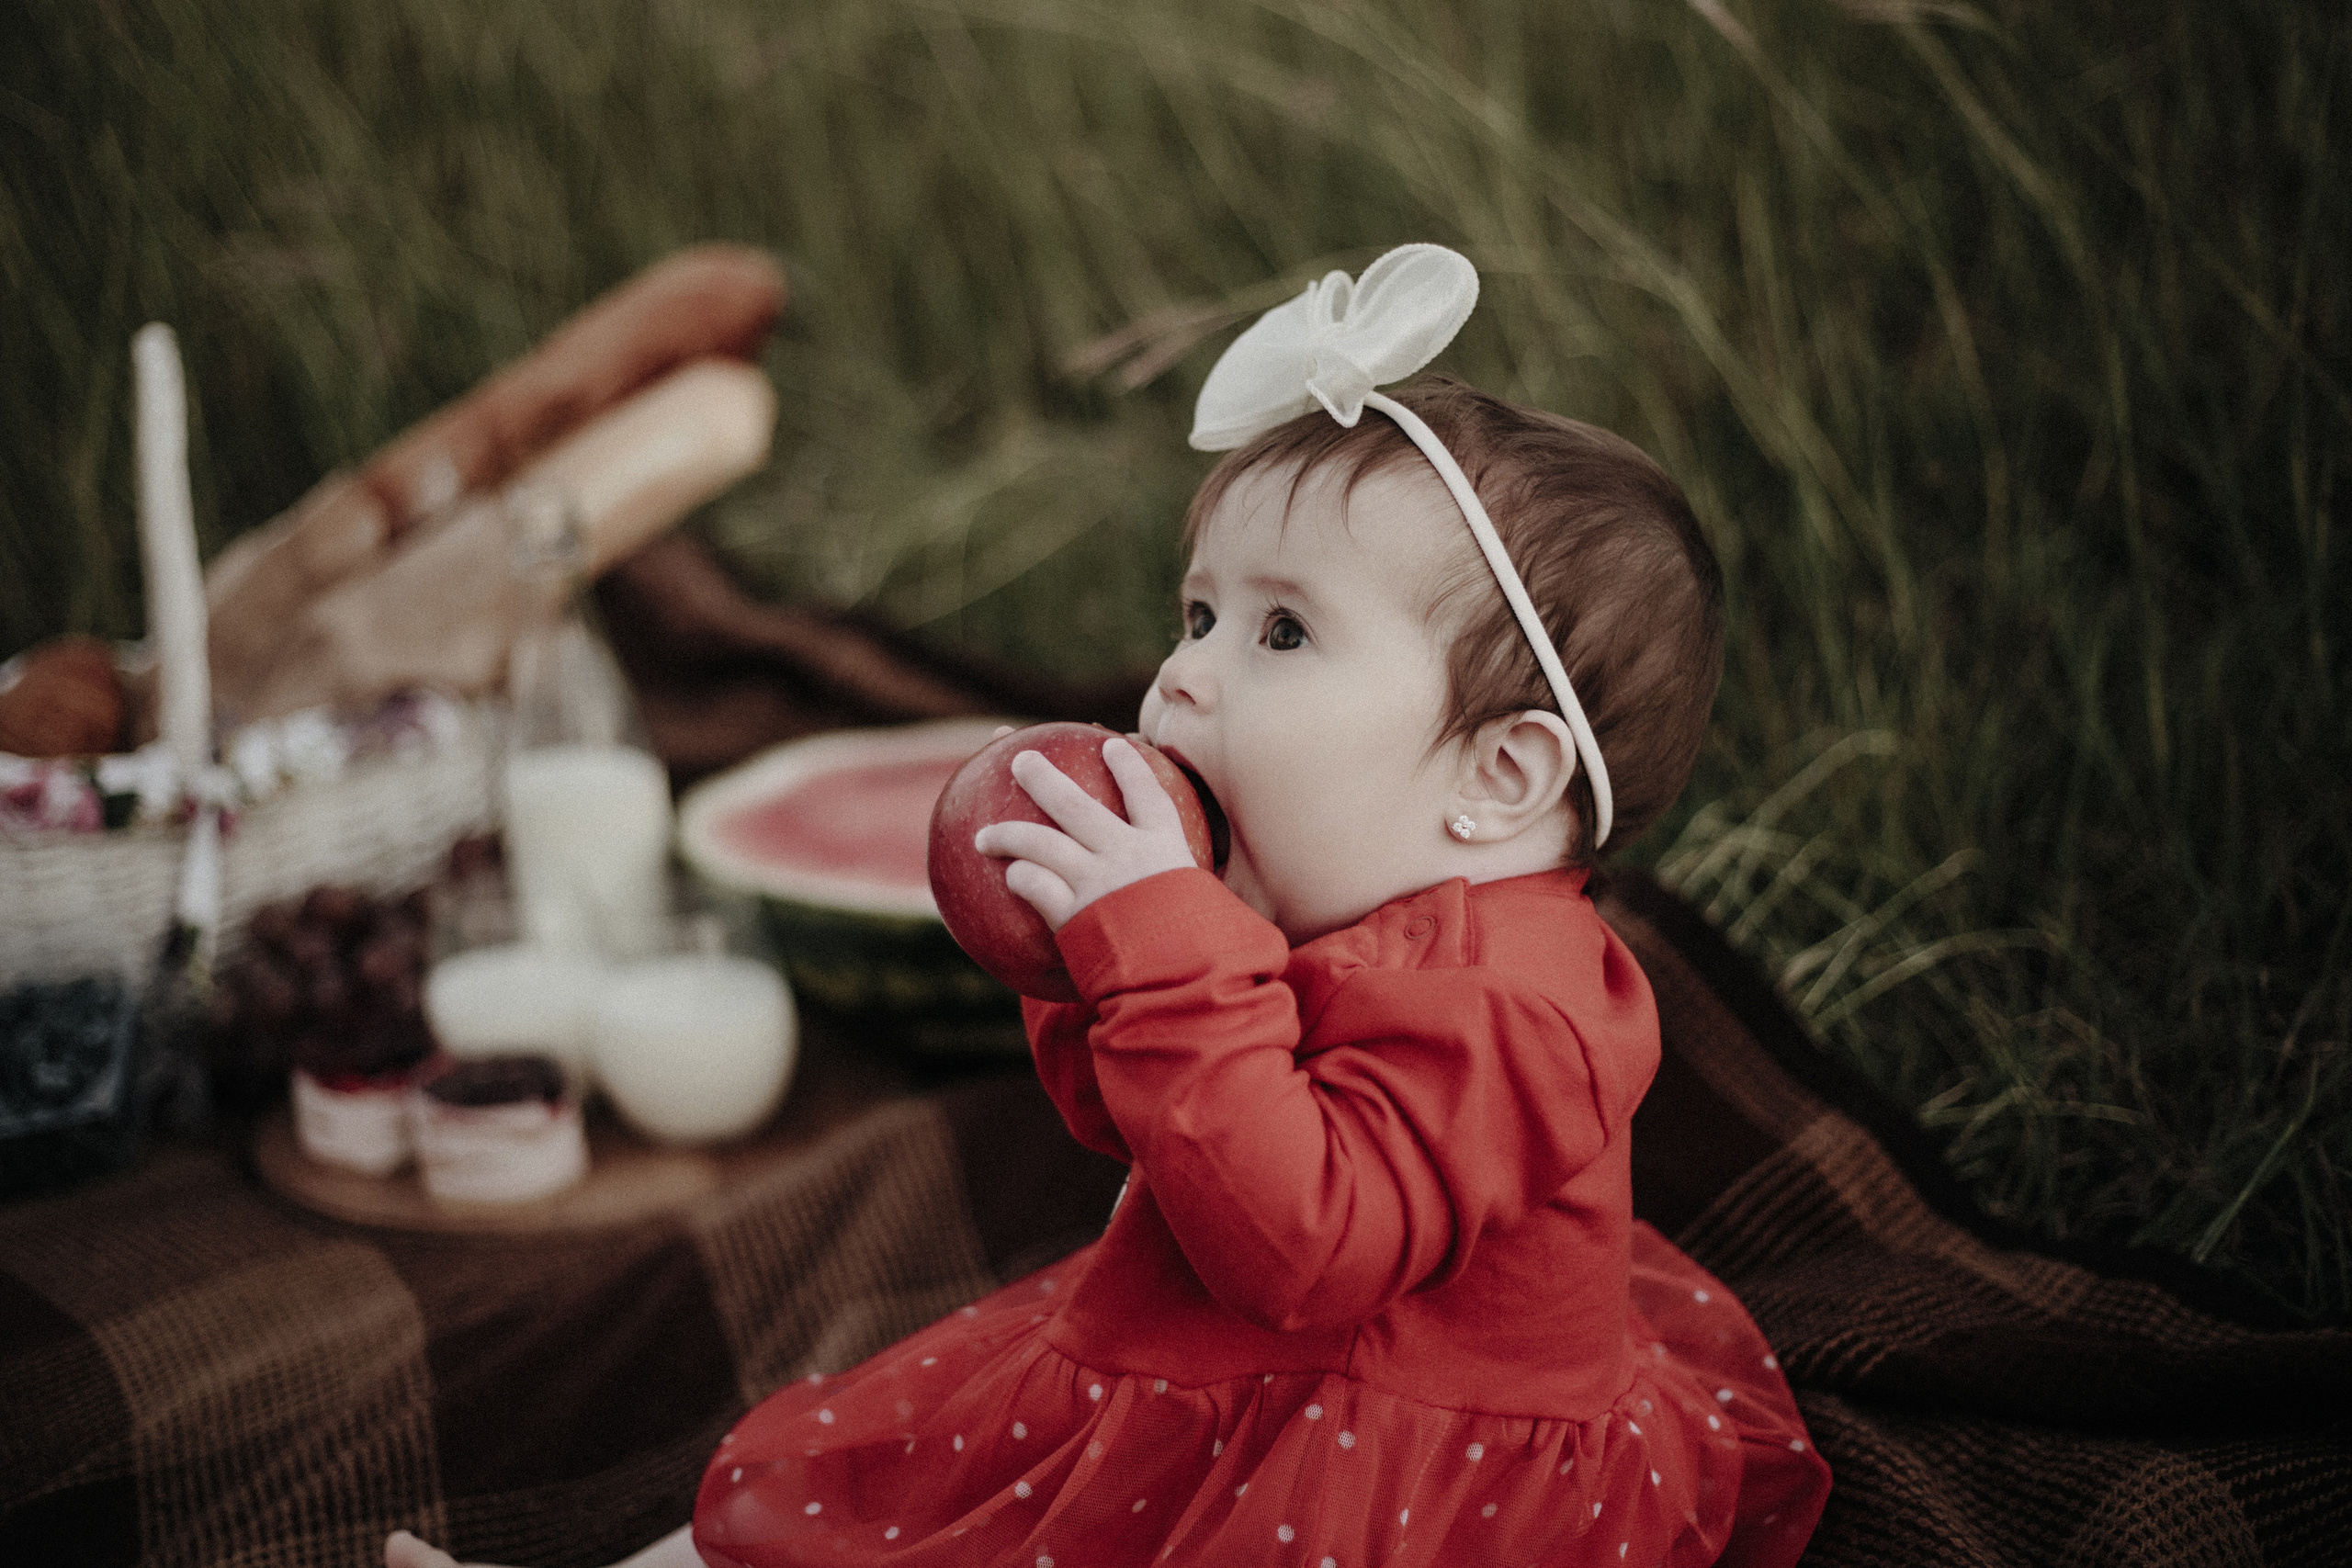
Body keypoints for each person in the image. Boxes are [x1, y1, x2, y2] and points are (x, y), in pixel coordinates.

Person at [390, 244, 1829, 1568]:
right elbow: (1149, 1122)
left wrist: (1164, 964)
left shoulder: (1520, 1003)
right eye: (1196, 615)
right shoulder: (1312, 894)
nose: (1186, 674)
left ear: (1502, 775)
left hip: (1394, 1467)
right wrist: (1097, 962)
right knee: (880, 1500)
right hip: (1222, 1366)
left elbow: (1306, 1242)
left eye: (1282, 631)